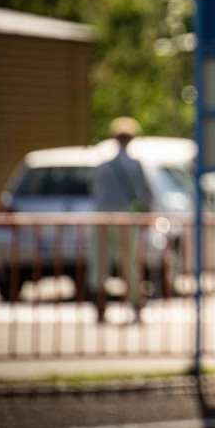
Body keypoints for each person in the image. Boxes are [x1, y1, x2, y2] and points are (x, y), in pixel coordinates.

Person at [87, 116, 152, 323]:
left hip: (102, 216)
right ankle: (134, 305)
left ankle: (99, 305)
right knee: (129, 262)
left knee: (100, 261)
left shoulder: (104, 165)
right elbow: (142, 194)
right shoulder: (135, 165)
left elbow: (94, 190)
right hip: (125, 216)